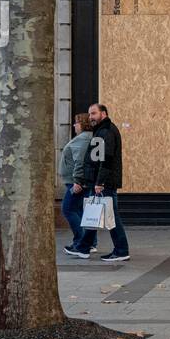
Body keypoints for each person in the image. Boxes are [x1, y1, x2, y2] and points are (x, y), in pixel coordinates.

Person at [69, 102, 128, 261]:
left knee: (112, 217)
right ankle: (83, 247)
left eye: (94, 113)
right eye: (89, 114)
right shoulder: (101, 131)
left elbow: (105, 160)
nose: (91, 117)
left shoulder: (106, 132)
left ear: (104, 113)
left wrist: (99, 182)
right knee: (92, 214)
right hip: (98, 181)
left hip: (103, 183)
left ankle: (121, 251)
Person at [59, 113, 97, 255]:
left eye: (76, 123)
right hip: (82, 181)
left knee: (68, 209)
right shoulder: (89, 137)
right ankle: (90, 242)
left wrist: (77, 181)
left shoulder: (82, 139)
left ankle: (80, 242)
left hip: (76, 182)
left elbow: (80, 161)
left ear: (83, 124)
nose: (74, 125)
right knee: (81, 211)